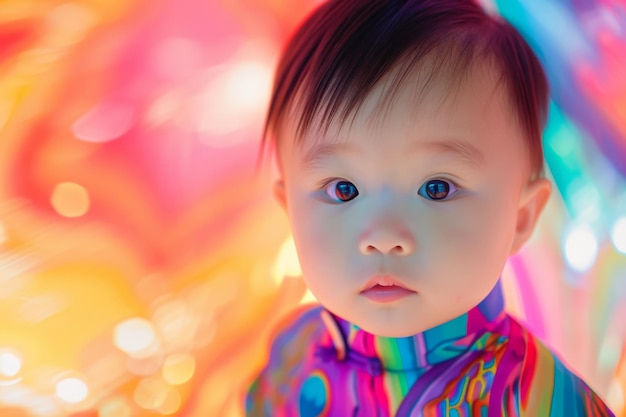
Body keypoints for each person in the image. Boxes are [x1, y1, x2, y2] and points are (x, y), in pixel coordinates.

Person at [246, 0, 616, 415]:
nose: (384, 236)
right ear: (289, 209)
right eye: (343, 189)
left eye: (437, 188)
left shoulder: (537, 399)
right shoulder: (293, 355)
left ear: (521, 216)